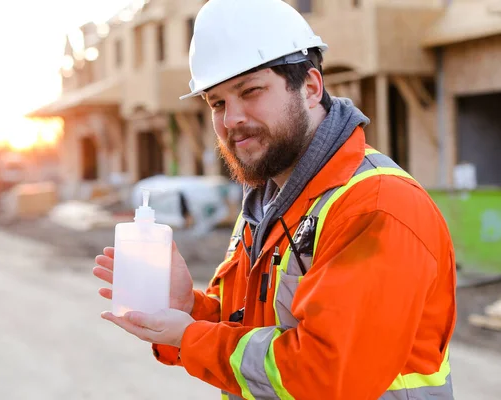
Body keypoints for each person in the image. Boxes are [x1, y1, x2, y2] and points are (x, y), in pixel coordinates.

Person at [93, 0, 456, 398]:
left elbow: (323, 375)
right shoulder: (266, 204)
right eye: (217, 103)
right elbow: (254, 329)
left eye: (250, 91)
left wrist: (191, 337)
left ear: (311, 87)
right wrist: (189, 310)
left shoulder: (377, 206)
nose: (231, 119)